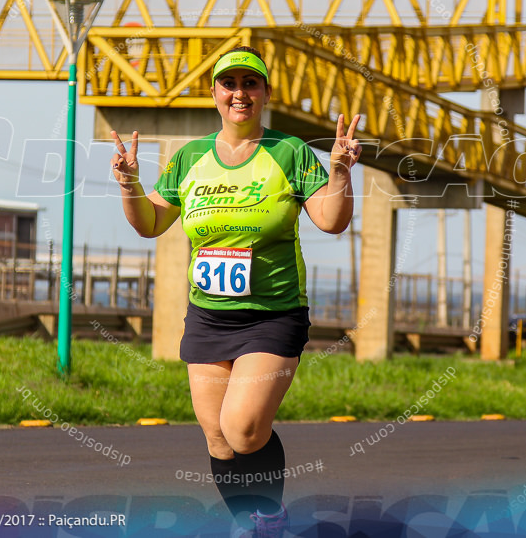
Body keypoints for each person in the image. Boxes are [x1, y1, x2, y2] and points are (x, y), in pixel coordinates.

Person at [110, 46, 361, 537]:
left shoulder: (289, 152)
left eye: (250, 83)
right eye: (230, 84)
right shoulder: (190, 157)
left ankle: (269, 515)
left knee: (243, 428)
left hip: (272, 313)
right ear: (215, 94)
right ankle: (252, 523)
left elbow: (332, 221)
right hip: (208, 315)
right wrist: (129, 184)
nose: (239, 93)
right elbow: (151, 224)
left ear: (265, 93)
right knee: (218, 438)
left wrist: (340, 171)